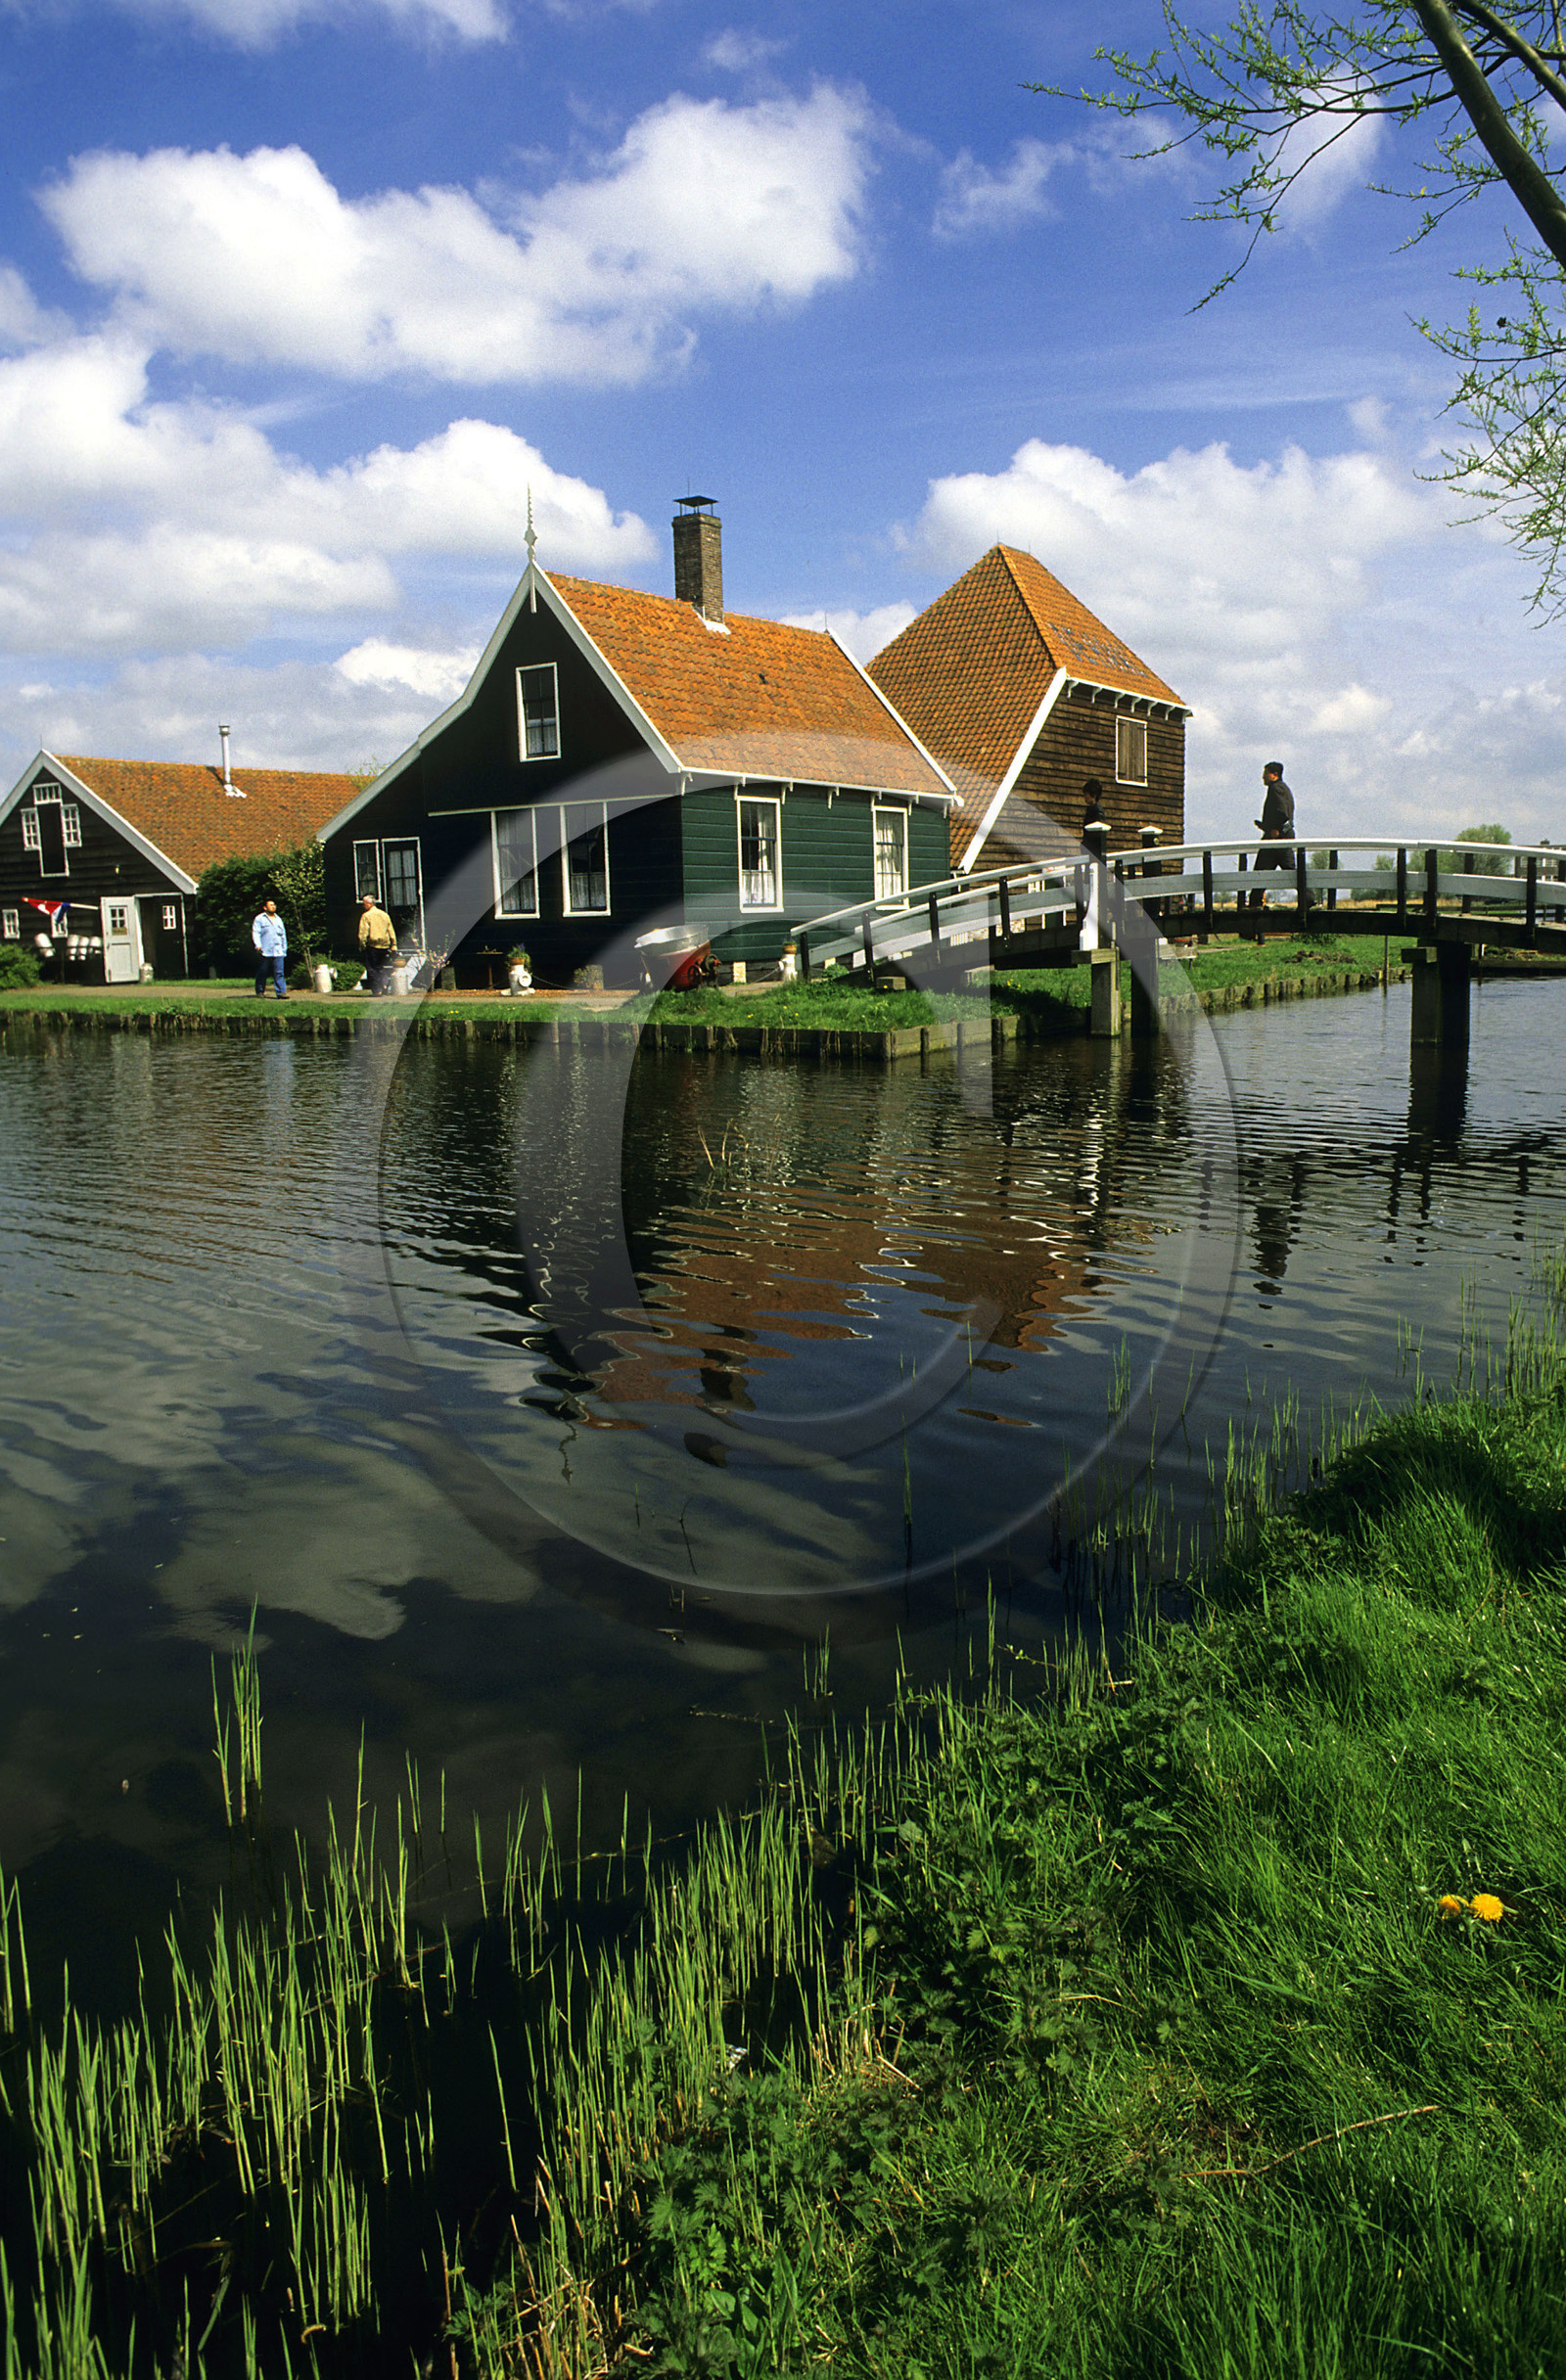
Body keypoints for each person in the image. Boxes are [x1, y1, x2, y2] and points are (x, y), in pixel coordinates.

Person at [1248, 760, 1296, 913]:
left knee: (1261, 871)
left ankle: (1255, 903)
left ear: (1274, 775)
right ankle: (1308, 897)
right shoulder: (1284, 788)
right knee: (1290, 870)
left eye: (1265, 774)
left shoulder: (1275, 788)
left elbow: (1281, 811)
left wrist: (1274, 829)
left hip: (1276, 838)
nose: (1263, 777)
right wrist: (1264, 825)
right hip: (1282, 835)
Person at [358, 892, 396, 993]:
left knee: (371, 968)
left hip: (372, 945)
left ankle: (377, 989)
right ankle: (385, 983)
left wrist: (362, 945)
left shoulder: (366, 916)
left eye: (364, 903)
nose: (363, 905)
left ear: (369, 904)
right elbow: (391, 931)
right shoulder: (384, 915)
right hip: (384, 945)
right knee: (380, 967)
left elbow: (363, 933)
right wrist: (393, 944)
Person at [252, 897, 289, 998]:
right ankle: (260, 991)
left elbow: (283, 935)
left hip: (278, 951)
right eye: (271, 905)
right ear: (265, 907)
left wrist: (284, 948)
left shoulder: (278, 919)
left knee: (279, 973)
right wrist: (258, 945)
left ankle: (281, 993)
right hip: (265, 951)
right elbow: (256, 933)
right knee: (263, 971)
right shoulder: (259, 919)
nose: (273, 907)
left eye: (274, 905)